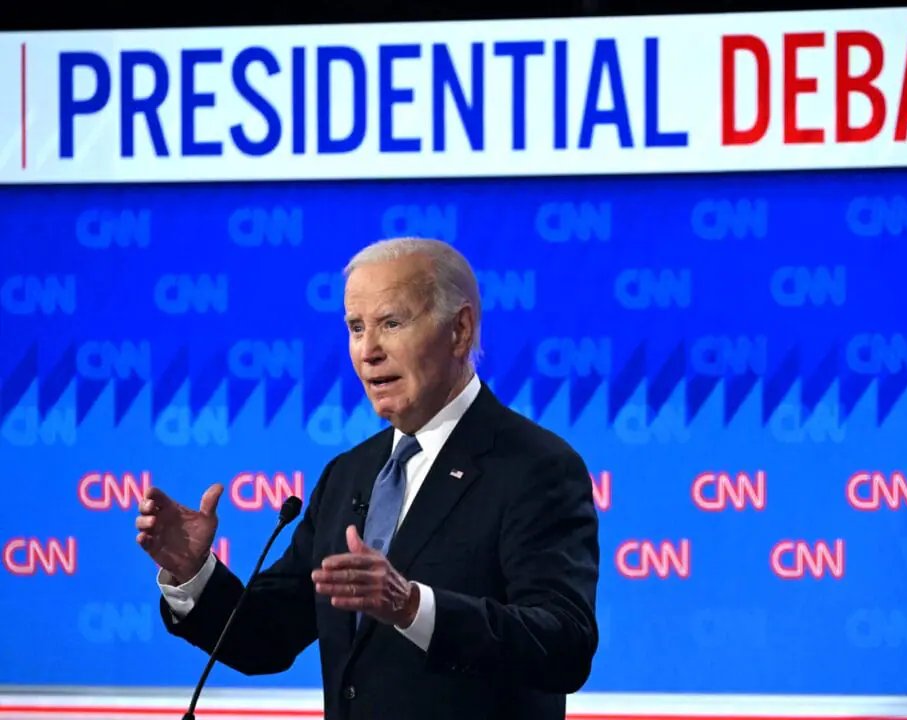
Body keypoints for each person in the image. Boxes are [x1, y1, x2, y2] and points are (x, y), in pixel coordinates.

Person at [135, 237, 601, 720]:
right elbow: (268, 638)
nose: (368, 350)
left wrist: (413, 607)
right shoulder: (349, 474)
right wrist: (194, 573)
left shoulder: (536, 467)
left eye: (391, 323)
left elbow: (562, 646)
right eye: (356, 328)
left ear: (459, 331)